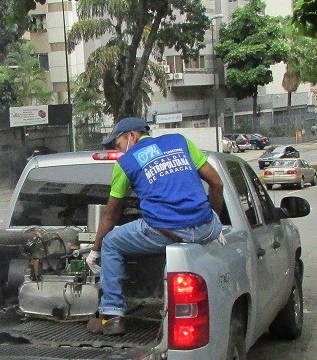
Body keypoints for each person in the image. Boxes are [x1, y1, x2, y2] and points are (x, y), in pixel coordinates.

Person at [86, 118, 225, 335]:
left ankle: (112, 314)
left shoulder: (126, 163)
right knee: (211, 223)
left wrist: (95, 250)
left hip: (166, 232)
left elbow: (110, 217)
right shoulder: (180, 142)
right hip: (206, 227)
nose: (118, 149)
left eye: (118, 144)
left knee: (111, 243)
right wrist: (212, 221)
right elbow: (217, 184)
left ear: (132, 136)